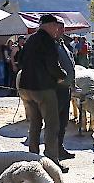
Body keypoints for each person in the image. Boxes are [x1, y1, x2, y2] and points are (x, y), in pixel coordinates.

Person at [17, 14, 68, 171]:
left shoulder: (30, 39)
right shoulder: (48, 41)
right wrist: (62, 76)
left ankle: (33, 157)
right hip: (43, 89)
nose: (57, 29)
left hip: (26, 87)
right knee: (52, 125)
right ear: (50, 25)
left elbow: (20, 59)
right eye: (56, 26)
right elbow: (52, 65)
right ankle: (52, 162)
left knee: (35, 123)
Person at [55, 18, 76, 160]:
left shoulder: (63, 44)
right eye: (59, 28)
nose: (62, 31)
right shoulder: (51, 45)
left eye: (63, 28)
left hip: (66, 88)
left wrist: (72, 83)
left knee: (63, 121)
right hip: (56, 89)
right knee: (55, 122)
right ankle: (53, 151)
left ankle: (60, 148)